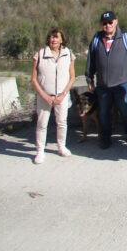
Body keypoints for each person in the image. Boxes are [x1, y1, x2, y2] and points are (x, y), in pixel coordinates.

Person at [85, 11, 127, 148]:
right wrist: (89, 78)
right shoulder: (97, 38)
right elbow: (90, 60)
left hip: (122, 82)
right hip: (103, 84)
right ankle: (105, 136)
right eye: (104, 23)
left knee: (125, 110)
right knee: (103, 112)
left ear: (116, 22)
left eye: (110, 22)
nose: (107, 25)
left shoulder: (126, 37)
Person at [31, 28, 75, 164]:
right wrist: (44, 95)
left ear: (62, 39)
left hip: (61, 96)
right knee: (42, 124)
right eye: (51, 37)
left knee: (62, 122)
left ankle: (61, 146)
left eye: (56, 37)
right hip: (45, 96)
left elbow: (72, 77)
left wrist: (63, 94)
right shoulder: (39, 54)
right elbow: (33, 79)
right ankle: (40, 151)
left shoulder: (68, 54)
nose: (53, 40)